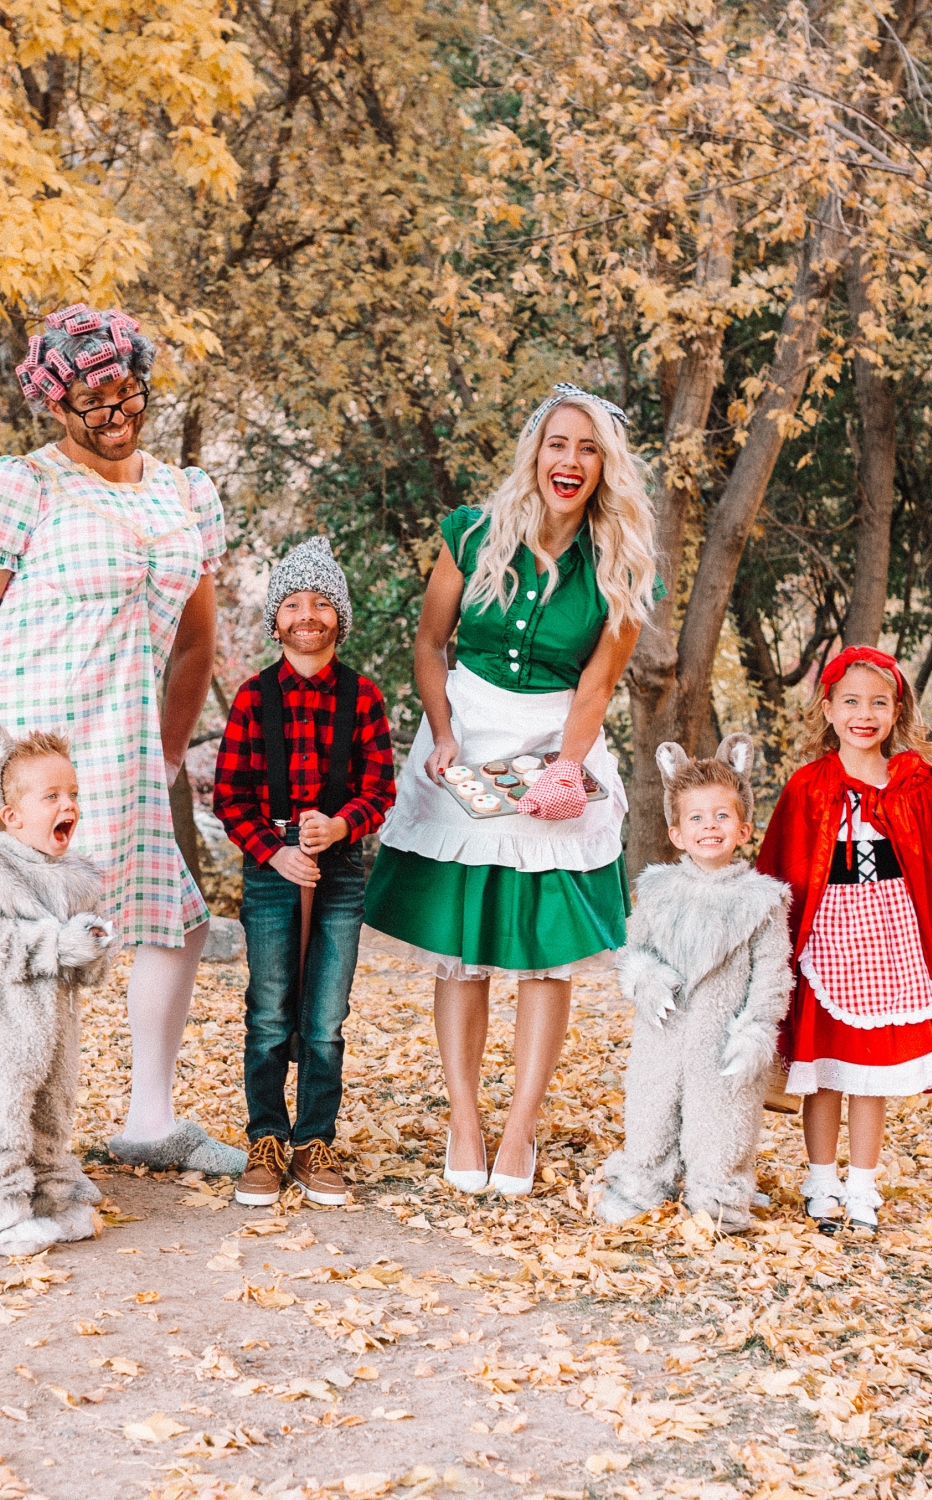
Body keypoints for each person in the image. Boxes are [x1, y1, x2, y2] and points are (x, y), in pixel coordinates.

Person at [0, 304, 245, 1178]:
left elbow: (196, 643)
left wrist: (165, 753)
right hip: (21, 755)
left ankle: (149, 1122)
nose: (113, 412)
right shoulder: (19, 486)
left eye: (126, 393)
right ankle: (8, 1144)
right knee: (28, 951)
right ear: (55, 404)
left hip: (121, 752)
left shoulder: (184, 495)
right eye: (90, 400)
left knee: (174, 923)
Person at [363, 382, 661, 1197]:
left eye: (588, 449)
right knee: (460, 953)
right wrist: (443, 732)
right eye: (558, 443)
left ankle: (520, 1126)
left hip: (555, 738)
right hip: (464, 735)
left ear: (606, 467)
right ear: (535, 452)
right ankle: (464, 1120)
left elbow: (598, 685)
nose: (570, 460)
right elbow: (430, 643)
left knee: (545, 955)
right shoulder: (471, 534)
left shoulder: (623, 565)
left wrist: (568, 767)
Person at [756, 645, 932, 1234]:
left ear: (897, 711)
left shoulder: (916, 785)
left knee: (871, 1069)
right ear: (827, 709)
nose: (864, 714)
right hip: (826, 944)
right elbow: (780, 872)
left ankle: (862, 1185)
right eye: (850, 701)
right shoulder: (807, 786)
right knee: (824, 1068)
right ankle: (821, 1180)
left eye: (879, 702)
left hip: (891, 942)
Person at [213, 538, 396, 1207]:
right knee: (268, 1011)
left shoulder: (363, 697)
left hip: (339, 870)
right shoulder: (252, 697)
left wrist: (341, 825)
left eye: (321, 602)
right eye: (293, 603)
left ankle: (314, 1141)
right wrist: (276, 850)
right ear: (276, 620)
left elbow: (380, 789)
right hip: (271, 869)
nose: (307, 614)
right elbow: (229, 798)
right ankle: (266, 1137)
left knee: (325, 1017)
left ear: (339, 616)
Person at [597, 735, 793, 1229]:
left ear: (743, 829)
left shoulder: (762, 901)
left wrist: (755, 1030)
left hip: (722, 1036)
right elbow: (633, 951)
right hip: (663, 1034)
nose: (710, 826)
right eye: (697, 818)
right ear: (677, 833)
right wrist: (645, 979)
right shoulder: (658, 891)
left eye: (722, 816)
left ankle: (718, 1192)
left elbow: (773, 972)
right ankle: (642, 1182)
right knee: (651, 1108)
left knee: (723, 1116)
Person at [0, 724, 116, 1256]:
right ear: (12, 816)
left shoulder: (77, 878)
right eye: (51, 796)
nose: (69, 805)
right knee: (0, 1113)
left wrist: (92, 947)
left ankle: (50, 1198)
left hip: (56, 1030)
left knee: (52, 1111)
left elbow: (84, 971)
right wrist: (57, 944)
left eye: (73, 794)